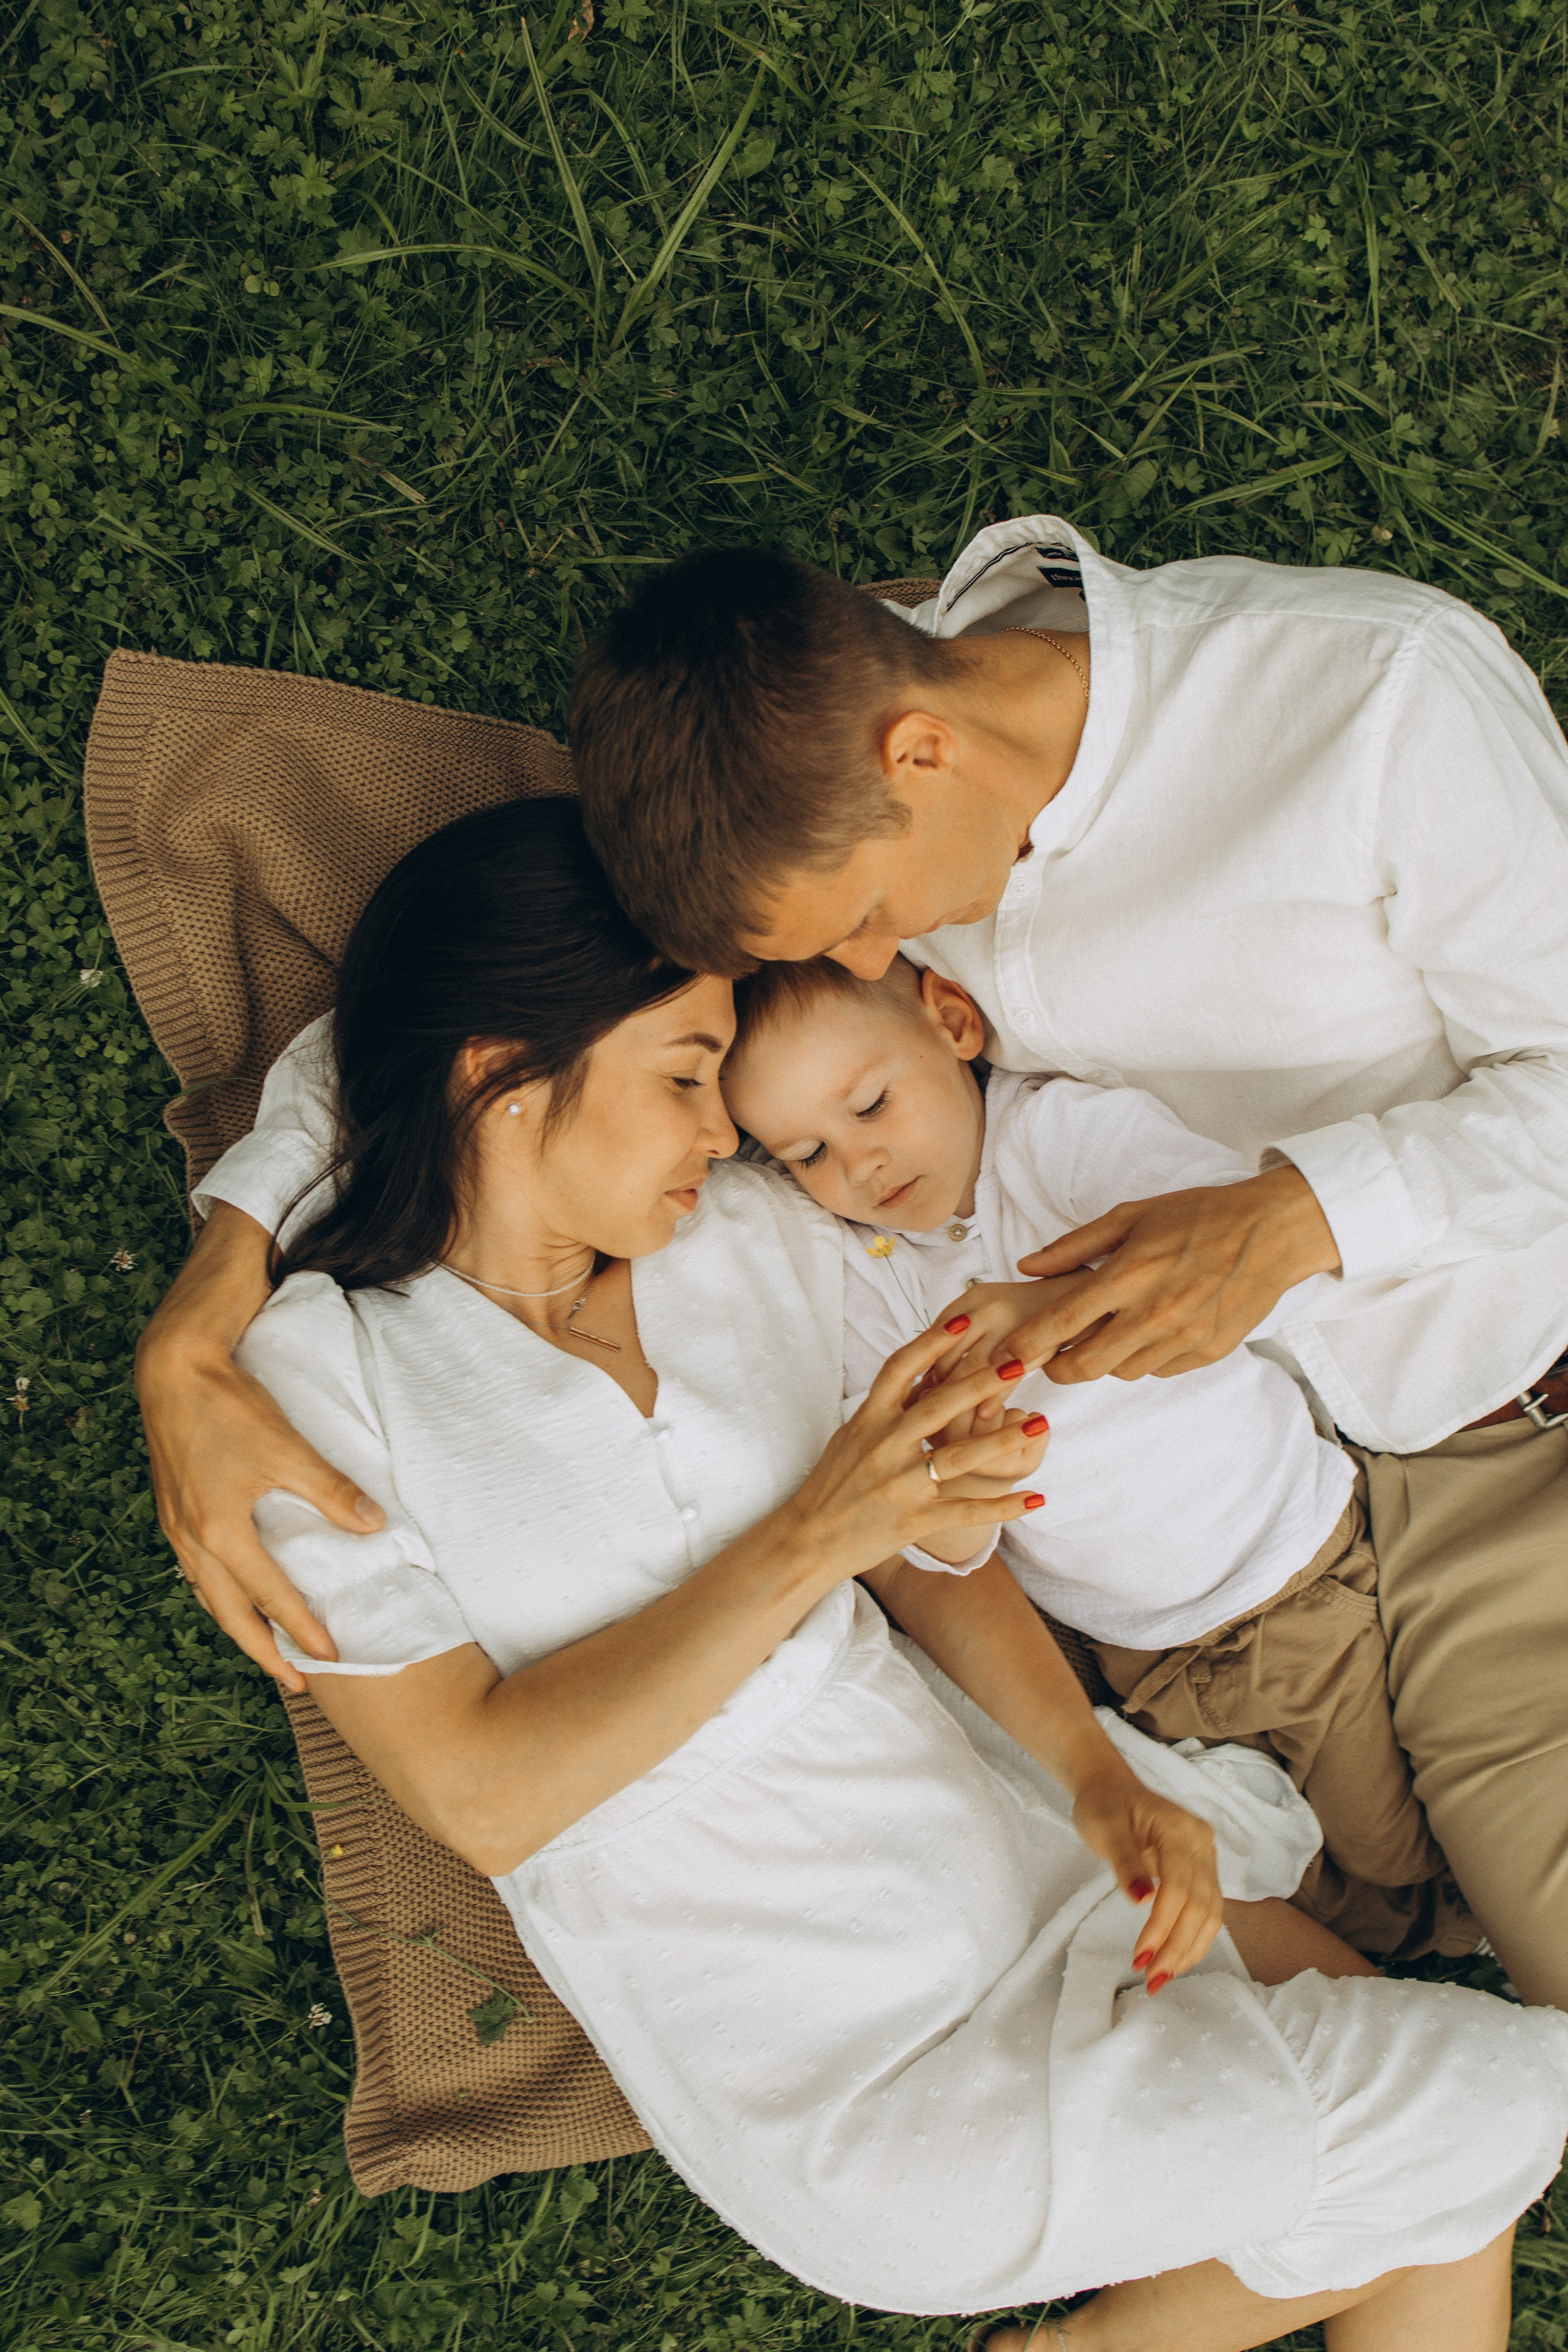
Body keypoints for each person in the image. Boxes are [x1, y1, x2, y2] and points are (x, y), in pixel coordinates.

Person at [208, 796, 1568, 2340]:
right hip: (860, 2079)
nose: (725, 1135)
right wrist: (816, 1533)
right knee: (1509, 2103)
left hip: (1035, 1880)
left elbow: (923, 1556)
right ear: (502, 1081)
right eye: (683, 1080)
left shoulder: (744, 1239)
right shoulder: (318, 1379)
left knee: (1436, 2156)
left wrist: (1088, 1775)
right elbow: (486, 1796)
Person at [559, 518, 1568, 2010]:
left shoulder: (1374, 703)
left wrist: (1298, 1215)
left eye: (865, 922)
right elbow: (480, 1006)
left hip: (1488, 1438)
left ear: (921, 753)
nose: (867, 967)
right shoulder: (849, 803)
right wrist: (226, 1269)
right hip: (1269, 1567)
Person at [722, 949, 1480, 1963]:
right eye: (806, 1154)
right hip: (1143, 1657)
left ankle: (1460, 1929)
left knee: (1395, 1861)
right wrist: (965, 1483)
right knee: (1311, 1885)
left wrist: (1055, 1315)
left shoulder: (1059, 1139)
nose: (856, 1167)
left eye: (869, 1105)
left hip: (1287, 1581)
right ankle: (1410, 1939)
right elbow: (938, 1536)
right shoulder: (863, 1280)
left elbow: (1240, 1259)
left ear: (951, 1023)